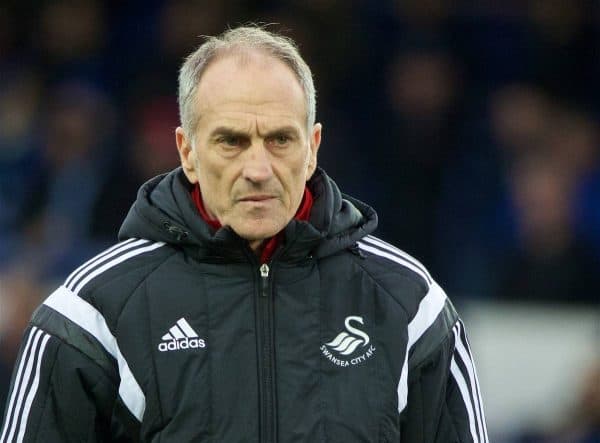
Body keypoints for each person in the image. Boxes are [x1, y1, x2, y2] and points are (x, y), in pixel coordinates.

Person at [0, 26, 488, 442]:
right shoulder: (91, 314)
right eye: (231, 141)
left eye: (280, 139)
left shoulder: (411, 307)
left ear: (313, 147)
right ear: (187, 151)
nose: (258, 168)